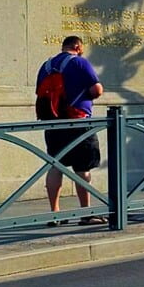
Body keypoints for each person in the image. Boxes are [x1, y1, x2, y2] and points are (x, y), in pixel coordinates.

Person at [36, 35, 105, 225]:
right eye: (81, 48)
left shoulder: (46, 66)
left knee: (56, 165)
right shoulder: (80, 63)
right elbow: (97, 90)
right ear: (77, 46)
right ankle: (86, 213)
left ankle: (55, 213)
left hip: (54, 123)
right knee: (82, 168)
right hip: (78, 122)